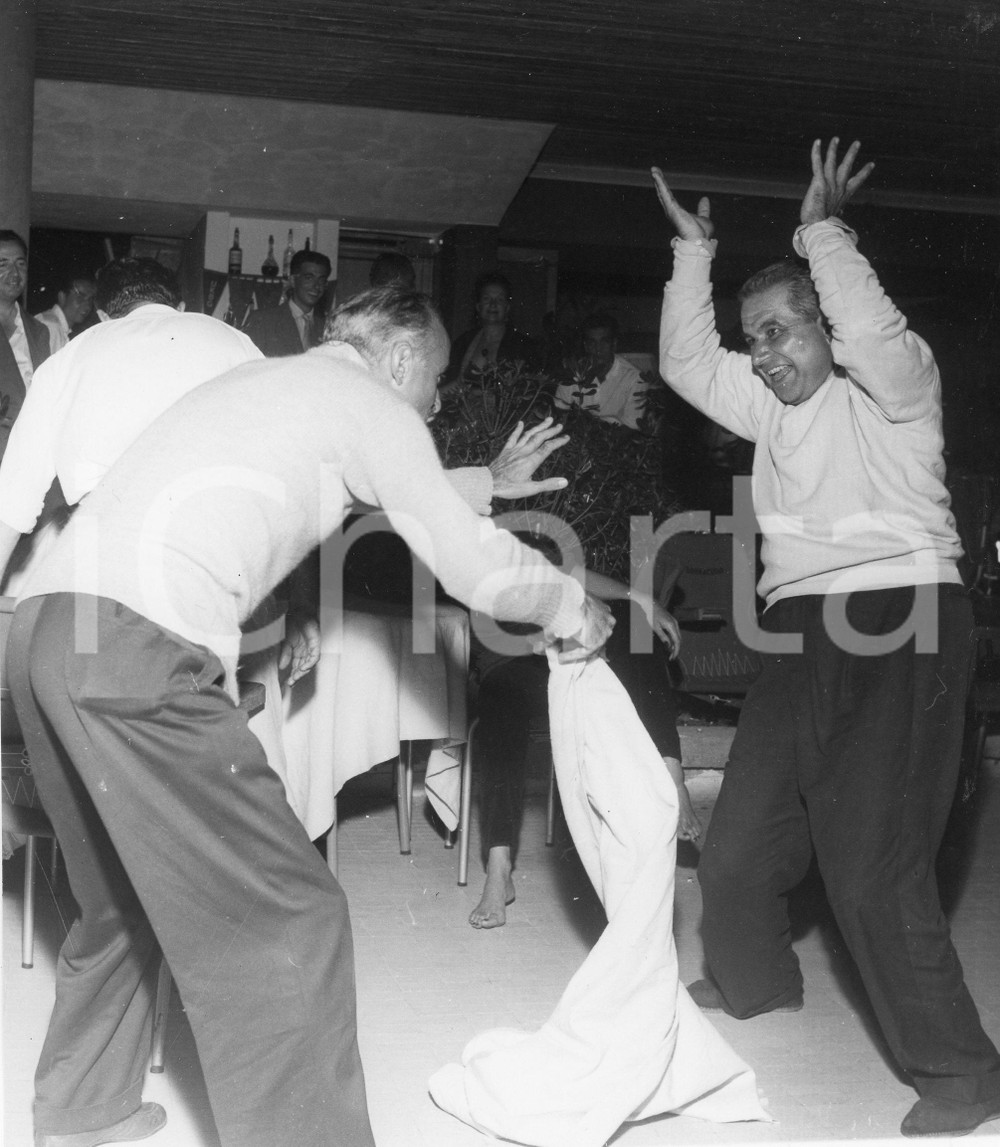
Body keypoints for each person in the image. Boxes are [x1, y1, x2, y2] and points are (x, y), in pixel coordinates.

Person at [7, 284, 613, 1147]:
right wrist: (567, 604)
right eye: (435, 380)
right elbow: (468, 562)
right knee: (292, 916)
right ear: (400, 360)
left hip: (47, 627)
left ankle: (83, 1110)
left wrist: (480, 480)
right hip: (140, 649)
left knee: (117, 895)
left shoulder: (280, 384)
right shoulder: (370, 404)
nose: (437, 403)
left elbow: (356, 485)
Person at [652, 138, 1000, 1138]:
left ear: (825, 327)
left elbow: (869, 323)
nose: (763, 353)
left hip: (905, 620)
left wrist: (820, 231)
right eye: (752, 336)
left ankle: (963, 1074)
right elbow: (683, 360)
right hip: (805, 631)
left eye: (780, 331)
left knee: (872, 864)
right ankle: (757, 985)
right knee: (737, 846)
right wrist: (693, 258)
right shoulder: (769, 408)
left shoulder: (896, 389)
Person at [469, 565, 701, 929]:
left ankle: (672, 773)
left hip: (557, 661)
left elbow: (567, 573)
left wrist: (642, 599)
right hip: (508, 665)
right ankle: (499, 871)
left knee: (633, 619)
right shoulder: (470, 536)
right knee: (500, 710)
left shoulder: (526, 536)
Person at [443, 270, 540, 390]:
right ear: (478, 306)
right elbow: (453, 384)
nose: (493, 304)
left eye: (499, 300)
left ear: (507, 307)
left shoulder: (523, 347)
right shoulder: (463, 343)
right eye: (487, 299)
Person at [0, 230, 50, 458]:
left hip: (28, 454)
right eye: (3, 264)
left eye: (20, 264)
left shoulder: (39, 331)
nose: (14, 273)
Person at [553, 311, 649, 430]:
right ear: (585, 345)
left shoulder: (635, 378)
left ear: (614, 344)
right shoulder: (571, 373)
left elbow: (632, 428)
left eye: (604, 342)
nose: (598, 349)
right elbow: (559, 416)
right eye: (592, 343)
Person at [243, 247, 332, 356]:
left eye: (321, 280)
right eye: (309, 278)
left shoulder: (328, 328)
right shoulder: (262, 320)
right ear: (293, 281)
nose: (316, 286)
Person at [33, 271, 97, 353]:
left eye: (90, 300)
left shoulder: (59, 327)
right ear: (62, 297)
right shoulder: (51, 326)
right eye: (80, 297)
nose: (87, 306)